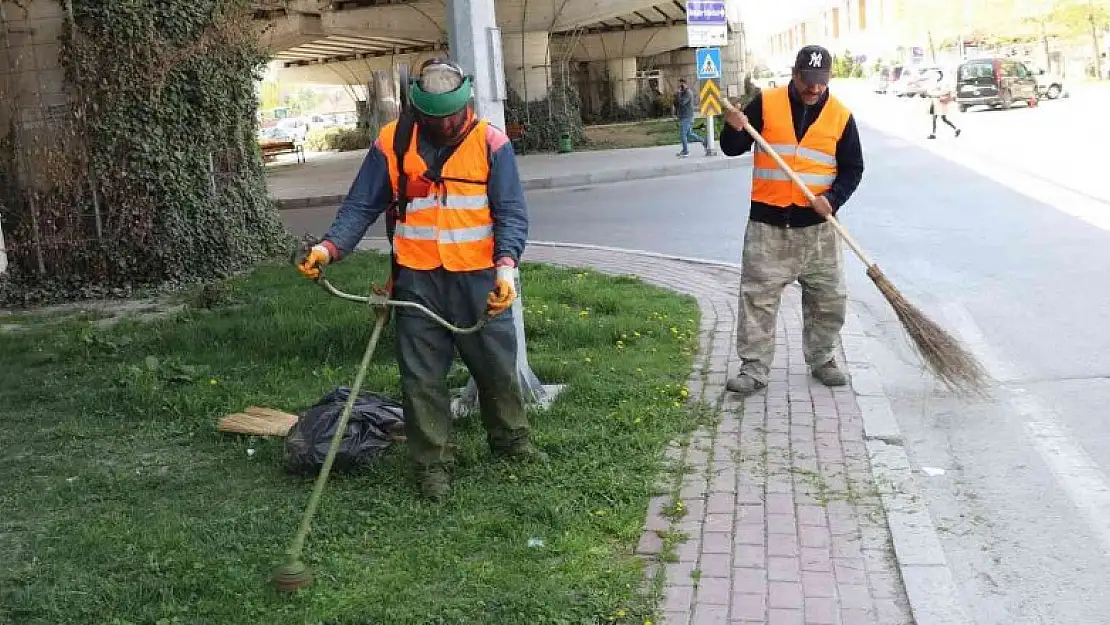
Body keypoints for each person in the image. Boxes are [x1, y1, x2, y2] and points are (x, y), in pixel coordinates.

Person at [297, 57, 546, 501]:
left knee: (495, 366)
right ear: (419, 109)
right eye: (435, 116)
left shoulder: (491, 143)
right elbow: (360, 205)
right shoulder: (393, 143)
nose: (446, 123)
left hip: (479, 278)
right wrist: (328, 248)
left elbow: (510, 212)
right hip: (417, 281)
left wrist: (506, 268)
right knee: (421, 378)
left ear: (466, 101)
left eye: (453, 114)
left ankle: (512, 441)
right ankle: (432, 463)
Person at [717, 45, 865, 396]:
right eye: (807, 81)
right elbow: (732, 147)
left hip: (817, 231)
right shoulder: (765, 103)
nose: (813, 89)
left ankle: (822, 358)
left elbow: (853, 168)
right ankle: (753, 369)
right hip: (768, 227)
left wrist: (832, 198)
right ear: (794, 74)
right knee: (757, 299)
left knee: (828, 299)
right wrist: (733, 127)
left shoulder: (841, 116)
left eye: (820, 82)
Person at [675, 78, 708, 157]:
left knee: (683, 134)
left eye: (681, 85)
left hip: (687, 117)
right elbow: (677, 103)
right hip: (684, 116)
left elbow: (683, 103)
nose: (680, 86)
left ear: (685, 84)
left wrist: (678, 94)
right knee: (689, 134)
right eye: (679, 85)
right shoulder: (683, 93)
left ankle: (686, 151)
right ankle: (704, 141)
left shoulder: (688, 93)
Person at [926, 69, 961, 140]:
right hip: (936, 101)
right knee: (940, 118)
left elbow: (944, 91)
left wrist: (934, 93)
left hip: (939, 101)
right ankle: (955, 129)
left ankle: (934, 134)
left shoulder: (942, 83)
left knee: (939, 118)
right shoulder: (936, 83)